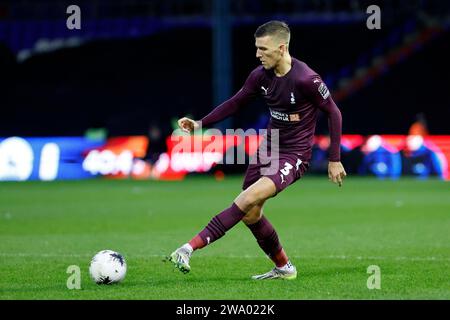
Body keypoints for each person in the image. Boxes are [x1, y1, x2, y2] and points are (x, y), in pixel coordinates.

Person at [166, 21, 346, 280]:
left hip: (294, 156)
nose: (258, 54)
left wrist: (334, 159)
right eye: (256, 48)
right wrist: (199, 123)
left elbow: (334, 112)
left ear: (282, 48)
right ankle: (284, 268)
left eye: (263, 49)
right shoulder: (260, 76)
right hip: (268, 149)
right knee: (251, 213)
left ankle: (188, 248)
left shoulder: (307, 79)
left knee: (246, 200)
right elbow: (236, 103)